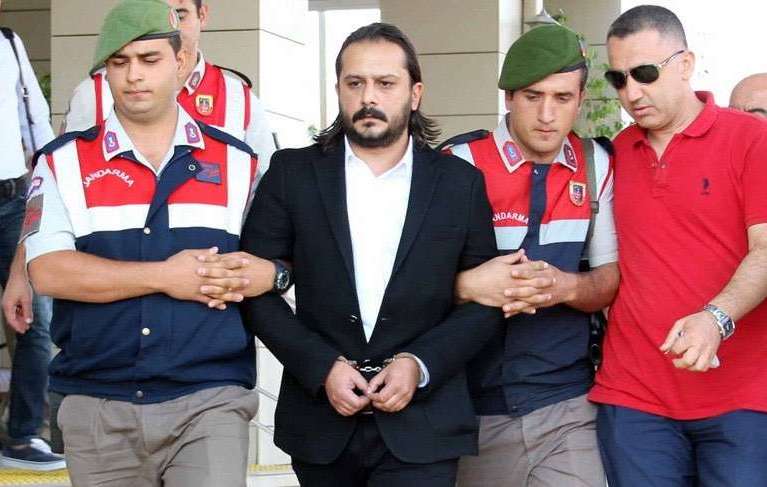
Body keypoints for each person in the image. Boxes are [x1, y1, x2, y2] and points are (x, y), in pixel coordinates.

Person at [21, 1, 282, 484]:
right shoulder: (62, 162)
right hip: (97, 402)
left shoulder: (240, 162)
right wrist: (166, 277)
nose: (134, 75)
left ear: (181, 61)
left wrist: (276, 273)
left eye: (149, 59)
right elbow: (49, 271)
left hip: (211, 397)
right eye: (119, 62)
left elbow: (278, 258)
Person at [239, 22, 502, 487]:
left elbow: (486, 302)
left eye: (385, 83)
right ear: (338, 89)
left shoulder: (459, 184)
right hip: (321, 423)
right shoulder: (292, 173)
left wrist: (419, 365)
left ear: (415, 94)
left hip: (425, 424)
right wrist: (320, 366)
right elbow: (252, 288)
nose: (368, 98)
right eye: (355, 83)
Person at [589, 5, 767, 486]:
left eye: (645, 74)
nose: (631, 92)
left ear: (685, 64)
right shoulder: (615, 153)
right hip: (634, 398)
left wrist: (716, 318)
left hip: (741, 398)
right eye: (618, 79)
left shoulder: (752, 139)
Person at [443, 24, 618, 487]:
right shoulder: (459, 162)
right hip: (472, 409)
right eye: (532, 96)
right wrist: (468, 286)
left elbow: (610, 278)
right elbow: (404, 284)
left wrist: (567, 287)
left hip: (567, 404)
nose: (546, 114)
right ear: (508, 97)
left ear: (581, 100)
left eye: (562, 98)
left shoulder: (596, 164)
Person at [64, 0, 275, 173]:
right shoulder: (94, 92)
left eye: (179, 15)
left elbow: (264, 185)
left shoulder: (238, 98)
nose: (169, 26)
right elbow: (69, 170)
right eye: (155, 15)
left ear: (202, 15)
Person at [0, 1, 62, 470]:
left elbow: (35, 121)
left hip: (12, 199)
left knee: (36, 321)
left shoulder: (9, 42)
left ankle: (23, 435)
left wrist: (46, 188)